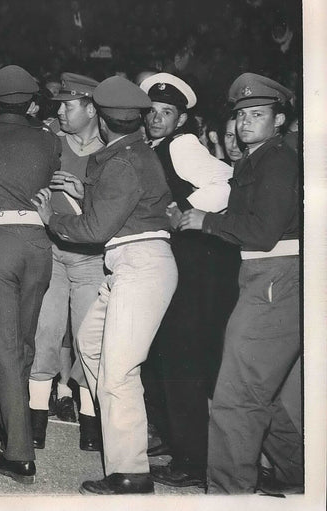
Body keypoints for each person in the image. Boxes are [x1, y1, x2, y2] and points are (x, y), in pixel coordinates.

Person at [31, 75, 177, 495]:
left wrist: (52, 219)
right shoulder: (132, 152)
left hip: (139, 266)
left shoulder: (121, 161)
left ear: (105, 119)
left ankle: (130, 472)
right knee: (90, 343)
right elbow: (126, 202)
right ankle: (122, 428)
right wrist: (86, 189)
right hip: (128, 266)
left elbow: (95, 229)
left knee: (118, 373)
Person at [178, 73, 302, 494]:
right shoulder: (258, 158)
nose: (246, 122)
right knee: (268, 394)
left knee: (235, 397)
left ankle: (229, 496)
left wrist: (206, 222)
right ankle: (298, 474)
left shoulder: (278, 160)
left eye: (258, 114)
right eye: (242, 115)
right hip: (263, 276)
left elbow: (264, 231)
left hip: (273, 274)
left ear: (279, 119)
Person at [0, 65, 62, 484]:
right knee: (21, 343)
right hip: (39, 244)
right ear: (33, 102)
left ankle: (19, 453)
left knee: (1, 348)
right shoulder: (49, 140)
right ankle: (12, 417)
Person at [139, 72, 235, 489]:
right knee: (161, 353)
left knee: (181, 359)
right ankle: (173, 441)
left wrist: (187, 211)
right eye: (153, 112)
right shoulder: (155, 146)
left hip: (194, 266)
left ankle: (193, 460)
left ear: (180, 120)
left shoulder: (182, 145)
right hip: (173, 264)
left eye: (167, 113)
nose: (158, 119)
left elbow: (225, 181)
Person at [28, 72, 105, 451]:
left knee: (89, 340)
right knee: (46, 331)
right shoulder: (51, 142)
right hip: (53, 253)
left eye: (68, 105)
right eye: (59, 104)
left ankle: (90, 423)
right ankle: (36, 419)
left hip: (92, 259)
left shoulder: (110, 149)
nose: (59, 111)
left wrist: (85, 195)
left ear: (91, 109)